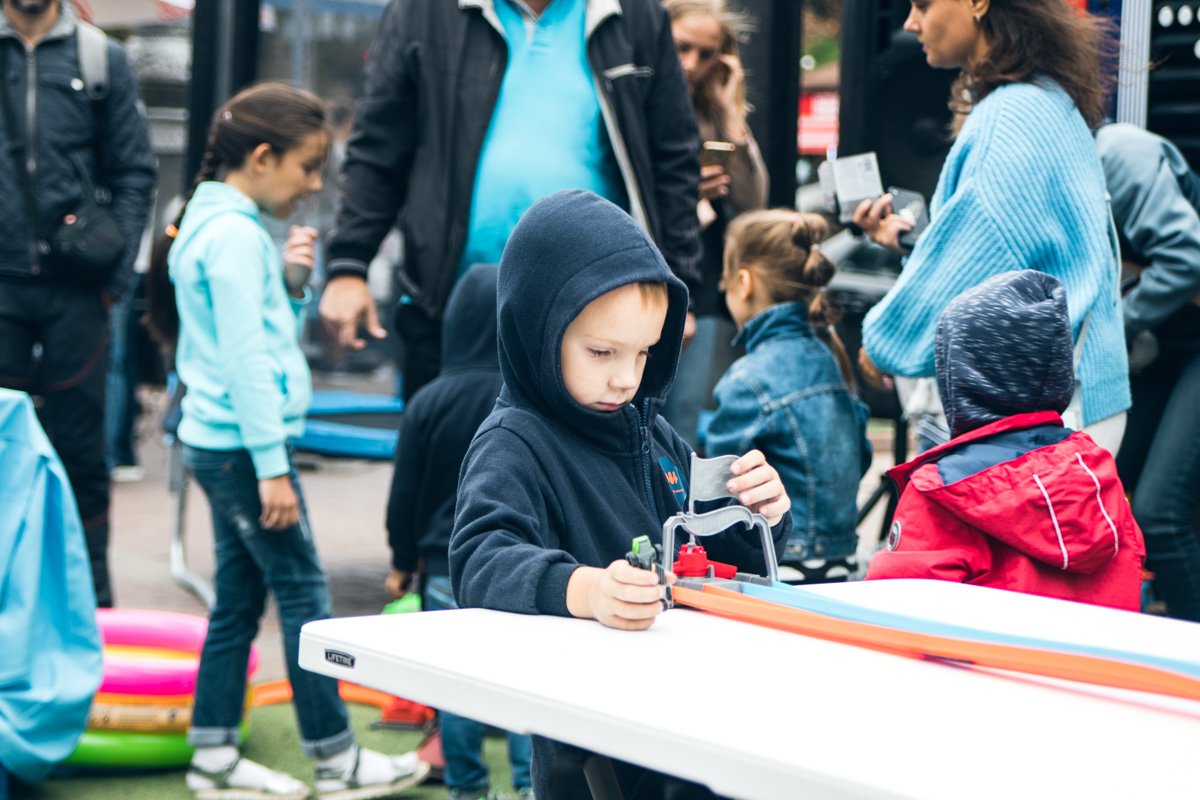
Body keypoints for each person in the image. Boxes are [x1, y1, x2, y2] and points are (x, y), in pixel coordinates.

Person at [450, 189, 791, 798]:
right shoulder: (514, 441)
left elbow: (709, 545)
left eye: (644, 353)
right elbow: (480, 558)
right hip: (590, 747)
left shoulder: (649, 428)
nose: (625, 378)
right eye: (601, 352)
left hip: (687, 718)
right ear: (536, 326)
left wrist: (757, 511)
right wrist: (584, 589)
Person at [144, 83, 429, 800]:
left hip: (221, 442)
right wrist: (274, 467)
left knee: (239, 598)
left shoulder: (203, 222)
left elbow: (240, 336)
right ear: (264, 157)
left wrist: (293, 285)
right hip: (246, 450)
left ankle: (213, 756)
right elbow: (243, 361)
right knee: (302, 590)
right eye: (306, 167)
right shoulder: (236, 236)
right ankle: (335, 758)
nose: (311, 186)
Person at [320, 0, 702, 401]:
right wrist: (349, 265)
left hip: (597, 318)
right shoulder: (423, 11)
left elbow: (673, 161)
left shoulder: (639, 16)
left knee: (580, 463)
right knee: (447, 454)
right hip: (447, 307)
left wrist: (680, 291)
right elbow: (378, 148)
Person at [852, 0, 1130, 455]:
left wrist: (883, 341)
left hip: (1041, 423)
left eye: (923, 4)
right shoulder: (1044, 99)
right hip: (1071, 403)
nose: (910, 22)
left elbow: (978, 250)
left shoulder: (1011, 115)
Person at [866, 270, 1145, 610]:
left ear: (959, 382)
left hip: (980, 663)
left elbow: (892, 611)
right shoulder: (1096, 473)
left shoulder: (942, 493)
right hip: (1091, 663)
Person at [0, 0, 156, 608]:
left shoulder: (100, 57)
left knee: (81, 455)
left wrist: (113, 277)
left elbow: (135, 172)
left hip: (78, 287)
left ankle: (90, 605)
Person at [385, 263, 533, 800]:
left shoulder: (429, 400)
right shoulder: (522, 399)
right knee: (520, 679)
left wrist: (402, 559)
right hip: (513, 559)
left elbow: (404, 493)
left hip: (442, 561)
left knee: (455, 681)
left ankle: (467, 787)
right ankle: (527, 784)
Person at [706, 210, 871, 583]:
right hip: (841, 565)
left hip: (778, 566)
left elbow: (718, 494)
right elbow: (859, 459)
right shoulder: (834, 362)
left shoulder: (748, 380)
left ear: (743, 282)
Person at [1098, 123, 1200, 622]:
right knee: (1105, 494)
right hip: (1174, 347)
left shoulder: (1119, 152)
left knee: (1160, 513)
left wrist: (1111, 327)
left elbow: (1185, 257)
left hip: (1185, 344)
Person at [659, 0, 767, 448]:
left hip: (700, 294)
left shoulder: (713, 111)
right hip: (648, 280)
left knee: (679, 424)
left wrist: (729, 107)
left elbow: (754, 200)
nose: (692, 65)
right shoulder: (642, 100)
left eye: (707, 54)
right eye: (683, 47)